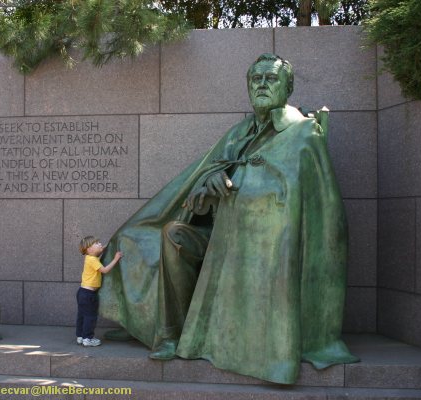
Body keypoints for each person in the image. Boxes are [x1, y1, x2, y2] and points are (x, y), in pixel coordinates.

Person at [98, 53, 359, 383]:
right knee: (166, 235)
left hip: (260, 248)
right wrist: (208, 186)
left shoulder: (304, 133)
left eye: (271, 78)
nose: (262, 84)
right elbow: (199, 186)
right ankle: (168, 332)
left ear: (288, 87)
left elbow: (322, 214)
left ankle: (198, 336)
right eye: (256, 79)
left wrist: (248, 192)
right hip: (216, 236)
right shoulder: (239, 132)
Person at [76, 236, 123, 347]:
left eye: (99, 242)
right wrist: (116, 259)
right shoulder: (92, 260)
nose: (100, 244)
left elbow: (100, 251)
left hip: (82, 292)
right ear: (89, 249)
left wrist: (106, 245)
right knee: (90, 317)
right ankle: (88, 338)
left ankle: (80, 336)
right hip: (88, 295)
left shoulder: (90, 258)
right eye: (96, 243)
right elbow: (105, 270)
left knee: (82, 316)